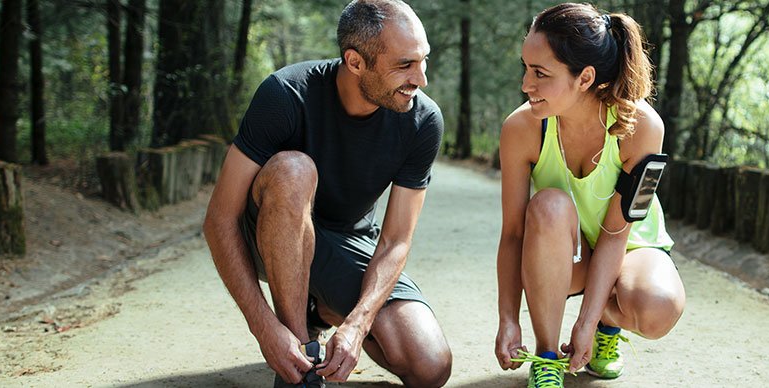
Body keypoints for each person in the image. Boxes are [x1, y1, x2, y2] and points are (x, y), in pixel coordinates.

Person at [202, 1, 452, 387]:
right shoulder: (285, 94)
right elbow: (220, 219)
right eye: (404, 65)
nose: (420, 78)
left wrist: (357, 324)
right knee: (294, 170)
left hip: (345, 241)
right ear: (355, 62)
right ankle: (299, 360)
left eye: (424, 60)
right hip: (267, 234)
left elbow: (396, 240)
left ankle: (321, 310)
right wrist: (265, 329)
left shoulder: (422, 120)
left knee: (429, 365)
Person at [494, 3, 686, 387]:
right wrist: (508, 319)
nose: (525, 85)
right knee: (548, 205)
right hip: (566, 251)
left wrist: (587, 319)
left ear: (584, 77)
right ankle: (547, 356)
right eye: (525, 68)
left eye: (540, 73)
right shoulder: (521, 128)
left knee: (657, 309)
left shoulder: (643, 126)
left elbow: (617, 233)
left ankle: (606, 325)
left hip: (630, 246)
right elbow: (514, 232)